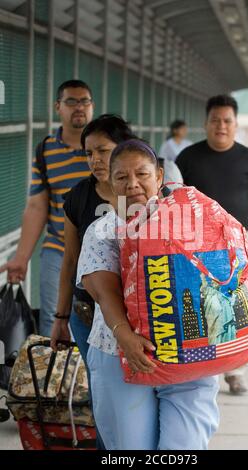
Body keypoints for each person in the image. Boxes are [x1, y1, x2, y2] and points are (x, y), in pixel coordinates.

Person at [76, 139, 248, 450]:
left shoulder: (191, 222)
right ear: (110, 183)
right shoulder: (104, 229)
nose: (133, 184)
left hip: (194, 352)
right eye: (121, 177)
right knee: (130, 448)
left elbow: (227, 265)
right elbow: (102, 290)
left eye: (141, 174)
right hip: (121, 353)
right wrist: (125, 335)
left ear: (158, 175)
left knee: (185, 445)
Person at [176, 94, 248, 395]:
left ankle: (236, 371)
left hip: (237, 245)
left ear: (236, 125)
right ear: (206, 123)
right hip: (194, 247)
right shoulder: (187, 157)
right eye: (215, 120)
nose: (221, 126)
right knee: (197, 305)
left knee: (240, 307)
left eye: (227, 121)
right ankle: (200, 367)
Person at [50, 114, 137, 450]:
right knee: (103, 400)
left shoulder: (141, 190)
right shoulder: (78, 197)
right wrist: (60, 318)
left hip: (140, 316)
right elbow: (69, 260)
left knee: (139, 397)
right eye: (89, 153)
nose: (95, 160)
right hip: (88, 316)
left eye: (103, 150)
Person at [0, 80, 94, 336]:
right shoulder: (45, 150)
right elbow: (36, 206)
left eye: (84, 101)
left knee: (100, 324)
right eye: (71, 101)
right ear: (58, 107)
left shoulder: (104, 149)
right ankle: (52, 375)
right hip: (58, 249)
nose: (79, 107)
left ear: (92, 106)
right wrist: (21, 258)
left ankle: (87, 377)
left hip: (102, 250)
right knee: (54, 323)